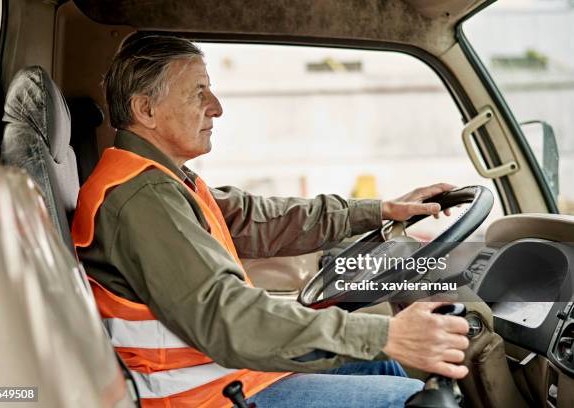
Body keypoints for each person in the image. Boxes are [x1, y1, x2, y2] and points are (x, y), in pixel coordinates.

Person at [71, 34, 470, 408]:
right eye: (199, 93)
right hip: (201, 395)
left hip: (225, 372)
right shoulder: (143, 199)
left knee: (381, 367)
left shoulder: (164, 180)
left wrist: (379, 210)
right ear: (146, 110)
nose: (217, 107)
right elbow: (226, 316)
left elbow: (258, 219)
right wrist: (384, 333)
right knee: (412, 396)